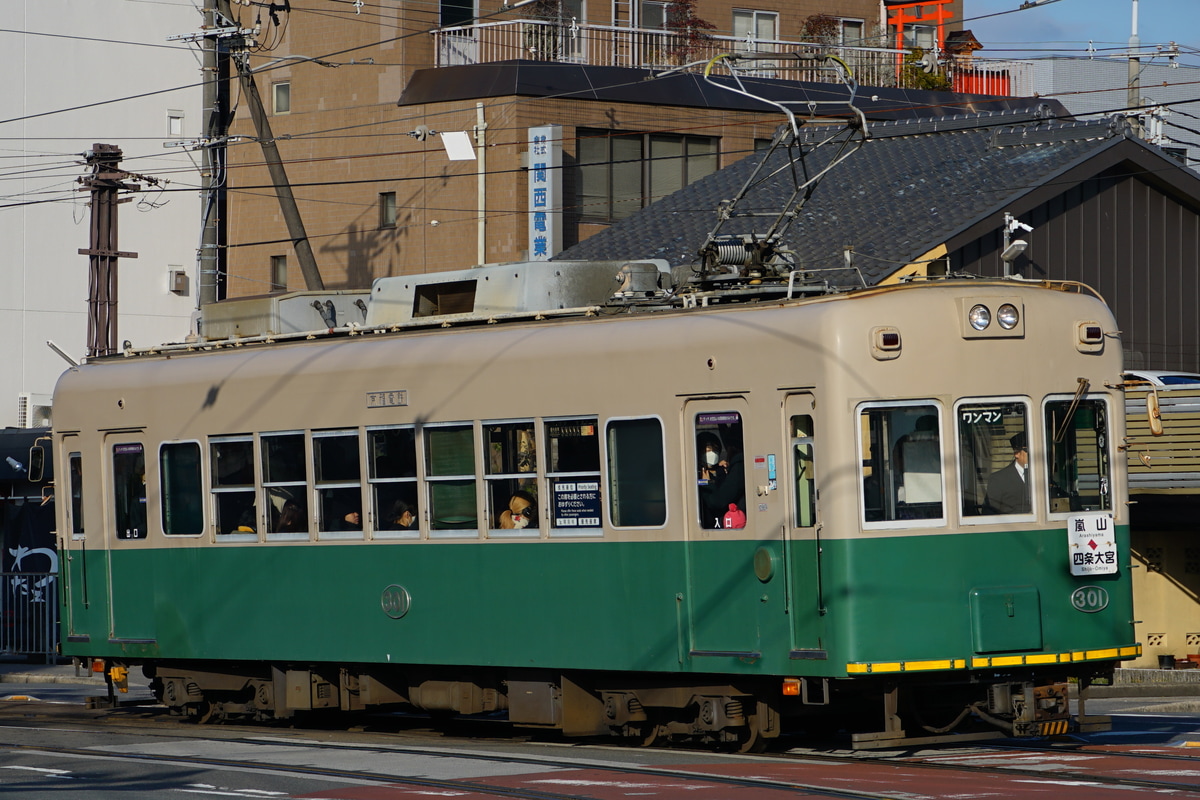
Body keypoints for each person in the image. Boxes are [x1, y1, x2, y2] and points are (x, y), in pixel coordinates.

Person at [985, 431, 1030, 514]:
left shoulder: (1043, 476)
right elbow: (989, 513)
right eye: (1028, 450)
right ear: (1017, 453)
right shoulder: (998, 479)